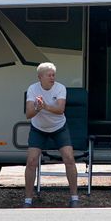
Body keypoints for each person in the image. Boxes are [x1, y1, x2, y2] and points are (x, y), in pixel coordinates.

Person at [23, 62, 81, 207]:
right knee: (31, 161)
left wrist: (44, 106)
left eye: (53, 75)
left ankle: (74, 198)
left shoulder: (60, 88)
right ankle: (28, 200)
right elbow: (28, 114)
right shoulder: (32, 89)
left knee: (69, 158)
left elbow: (60, 109)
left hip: (59, 127)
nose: (52, 78)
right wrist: (37, 107)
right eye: (49, 75)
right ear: (40, 77)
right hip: (38, 128)